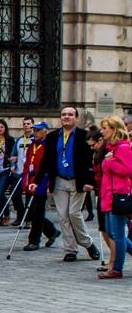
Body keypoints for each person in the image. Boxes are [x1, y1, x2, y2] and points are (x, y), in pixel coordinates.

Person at [31, 107, 100, 263]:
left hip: (78, 181)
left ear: (76, 118)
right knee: (63, 216)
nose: (66, 117)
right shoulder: (53, 136)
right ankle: (70, 250)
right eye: (63, 114)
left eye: (70, 114)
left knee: (74, 213)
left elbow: (91, 161)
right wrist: (37, 181)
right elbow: (46, 161)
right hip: (59, 181)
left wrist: (90, 181)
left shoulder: (83, 135)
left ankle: (87, 243)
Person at [97, 116, 132, 279]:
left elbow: (128, 170)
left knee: (117, 234)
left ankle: (117, 268)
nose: (102, 131)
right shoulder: (111, 148)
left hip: (118, 195)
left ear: (114, 129)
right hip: (108, 195)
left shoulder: (122, 148)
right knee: (112, 232)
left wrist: (110, 162)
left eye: (105, 128)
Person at [21, 122, 60, 252]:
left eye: (38, 130)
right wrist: (24, 180)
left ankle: (34, 240)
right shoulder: (32, 144)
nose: (35, 133)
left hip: (42, 180)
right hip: (31, 180)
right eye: (34, 130)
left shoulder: (49, 145)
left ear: (45, 131)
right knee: (31, 211)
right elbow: (27, 163)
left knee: (37, 211)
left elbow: (50, 166)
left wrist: (49, 184)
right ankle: (51, 231)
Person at [86, 129, 113, 271]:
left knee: (110, 230)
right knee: (103, 228)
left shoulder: (106, 152)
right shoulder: (97, 153)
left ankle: (114, 261)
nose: (92, 148)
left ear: (100, 140)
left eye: (93, 145)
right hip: (100, 192)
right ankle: (112, 260)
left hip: (107, 193)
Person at [0, 119, 16, 226]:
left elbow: (13, 153)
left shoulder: (10, 140)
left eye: (1, 127)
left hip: (5, 170)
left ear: (5, 128)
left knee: (0, 193)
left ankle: (6, 214)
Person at [10, 117, 35, 226]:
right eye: (24, 124)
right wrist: (12, 165)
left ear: (32, 125)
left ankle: (28, 219)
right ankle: (20, 215)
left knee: (29, 197)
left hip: (30, 174)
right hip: (19, 172)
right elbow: (13, 154)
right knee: (15, 195)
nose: (26, 126)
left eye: (28, 124)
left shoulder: (35, 139)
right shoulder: (19, 139)